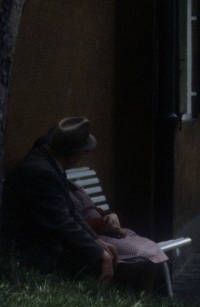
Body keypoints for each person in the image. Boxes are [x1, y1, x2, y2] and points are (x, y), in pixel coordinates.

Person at [0, 118, 118, 283]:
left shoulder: (49, 163)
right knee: (93, 266)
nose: (84, 157)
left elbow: (70, 211)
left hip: (43, 244)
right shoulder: (41, 173)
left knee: (102, 258)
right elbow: (61, 223)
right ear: (72, 156)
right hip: (27, 253)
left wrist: (95, 240)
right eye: (85, 152)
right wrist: (98, 253)